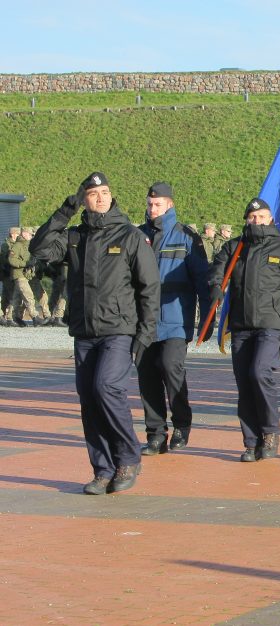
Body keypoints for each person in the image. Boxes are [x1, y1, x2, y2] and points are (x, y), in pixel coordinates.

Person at [30, 172, 160, 494]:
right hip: (85, 332)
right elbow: (40, 247)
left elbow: (149, 287)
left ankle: (128, 457)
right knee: (89, 399)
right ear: (84, 199)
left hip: (119, 330)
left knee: (106, 388)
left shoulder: (130, 236)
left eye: (104, 192)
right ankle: (102, 470)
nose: (100, 197)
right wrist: (65, 210)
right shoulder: (75, 237)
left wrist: (145, 333)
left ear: (111, 196)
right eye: (92, 194)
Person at [210, 197, 280, 462]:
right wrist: (215, 285)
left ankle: (270, 432)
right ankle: (251, 442)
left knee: (259, 373)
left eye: (261, 216)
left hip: (270, 325)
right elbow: (217, 268)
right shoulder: (235, 247)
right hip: (241, 325)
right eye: (252, 217)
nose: (256, 221)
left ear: (271, 219)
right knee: (245, 383)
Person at [137, 182, 212, 455]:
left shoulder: (187, 238)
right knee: (147, 377)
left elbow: (203, 283)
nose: (152, 209)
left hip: (175, 319)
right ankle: (155, 434)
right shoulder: (136, 236)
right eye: (149, 204)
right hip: (143, 321)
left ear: (169, 205)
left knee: (171, 368)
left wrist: (207, 320)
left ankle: (181, 424)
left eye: (157, 204)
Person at [7, 227, 43, 326]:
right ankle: (35, 316)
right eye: (30, 234)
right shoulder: (18, 246)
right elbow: (11, 260)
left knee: (17, 298)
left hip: (24, 275)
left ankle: (13, 318)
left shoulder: (27, 246)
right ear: (24, 234)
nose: (31, 236)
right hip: (19, 274)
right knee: (28, 295)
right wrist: (25, 263)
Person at [0, 227, 18, 326]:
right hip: (7, 274)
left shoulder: (13, 244)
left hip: (11, 274)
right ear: (13, 234)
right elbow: (4, 261)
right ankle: (10, 318)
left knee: (6, 296)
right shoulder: (6, 245)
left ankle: (2, 316)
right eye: (17, 234)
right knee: (12, 295)